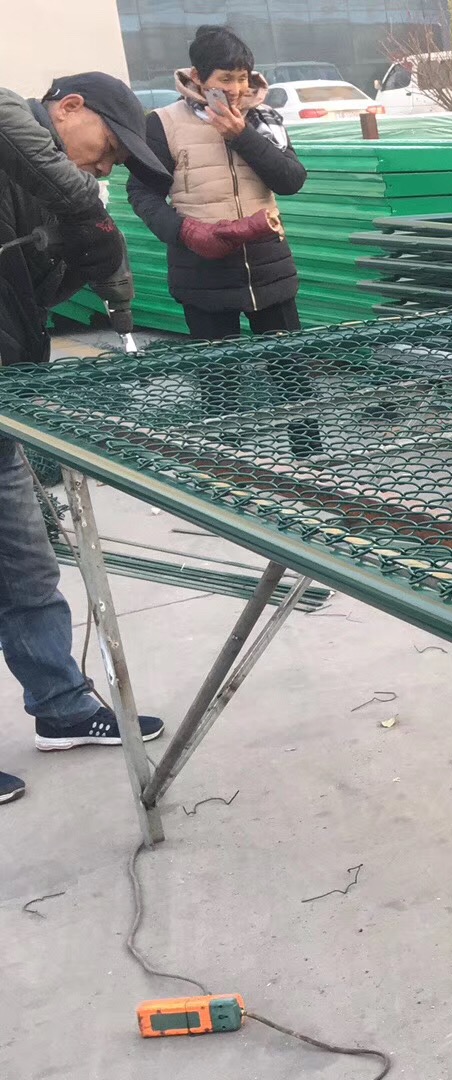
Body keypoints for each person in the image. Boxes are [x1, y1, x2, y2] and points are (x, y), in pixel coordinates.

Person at [0, 72, 171, 805]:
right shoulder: (11, 137)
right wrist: (84, 211)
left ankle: (62, 707)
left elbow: (25, 297)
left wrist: (81, 262)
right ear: (68, 107)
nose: (104, 169)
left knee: (26, 567)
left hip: (5, 393)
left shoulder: (40, 193)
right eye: (106, 150)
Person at [125, 25, 307, 341]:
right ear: (197, 76)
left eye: (242, 78)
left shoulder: (264, 118)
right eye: (225, 79)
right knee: (219, 369)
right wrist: (185, 232)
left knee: (289, 364)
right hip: (202, 269)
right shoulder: (164, 123)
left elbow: (290, 181)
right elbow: (142, 192)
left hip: (268, 265)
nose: (235, 89)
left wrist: (243, 136)